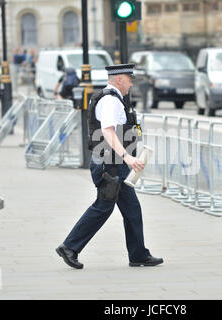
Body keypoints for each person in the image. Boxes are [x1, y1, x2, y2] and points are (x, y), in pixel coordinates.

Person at [56, 64, 163, 269]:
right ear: (119, 79)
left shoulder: (114, 99)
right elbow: (107, 131)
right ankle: (69, 247)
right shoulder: (110, 101)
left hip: (114, 164)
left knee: (131, 209)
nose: (131, 84)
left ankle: (138, 254)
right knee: (103, 207)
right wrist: (128, 157)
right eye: (130, 80)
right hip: (109, 164)